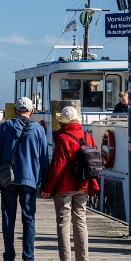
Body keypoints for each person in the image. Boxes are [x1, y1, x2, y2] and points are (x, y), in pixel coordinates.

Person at [0, 97, 50, 261]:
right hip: (30, 181)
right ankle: (28, 257)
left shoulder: (5, 127)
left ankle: (9, 255)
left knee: (8, 219)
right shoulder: (38, 130)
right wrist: (45, 183)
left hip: (8, 180)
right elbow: (44, 158)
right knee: (29, 220)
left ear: (15, 111)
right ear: (32, 110)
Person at [41, 106, 100, 261]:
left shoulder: (62, 138)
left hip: (64, 188)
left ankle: (65, 259)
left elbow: (57, 166)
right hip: (83, 185)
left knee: (63, 223)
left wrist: (48, 189)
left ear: (62, 122)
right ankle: (83, 258)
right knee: (81, 221)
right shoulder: (87, 136)